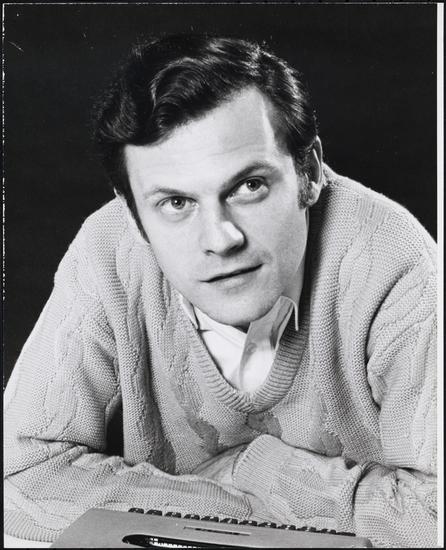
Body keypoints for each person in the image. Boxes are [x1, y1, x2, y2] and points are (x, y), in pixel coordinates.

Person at [4, 34, 437, 548]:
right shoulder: (108, 251)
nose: (221, 239)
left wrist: (255, 469)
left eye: (249, 186)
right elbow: (17, 475)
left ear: (308, 173)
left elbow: (437, 515)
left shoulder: (391, 257)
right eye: (176, 203)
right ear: (134, 216)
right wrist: (237, 503)